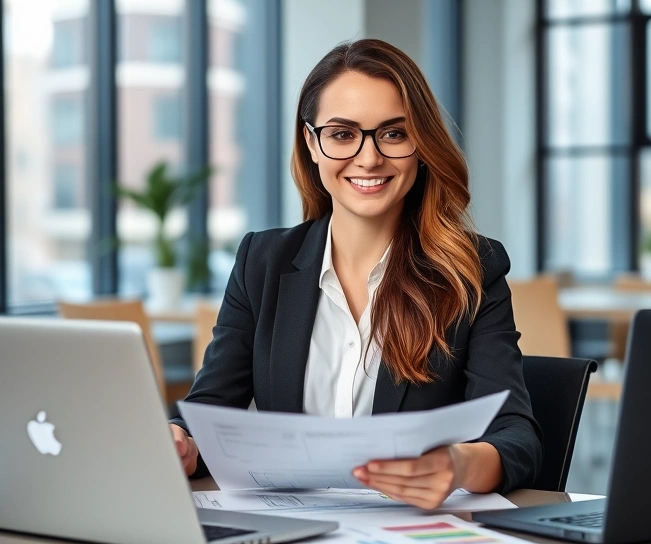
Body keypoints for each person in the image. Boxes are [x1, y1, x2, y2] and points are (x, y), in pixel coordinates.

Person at [169, 38, 541, 510]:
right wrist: (182, 440)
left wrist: (458, 465)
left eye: (393, 134)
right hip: (293, 540)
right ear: (312, 144)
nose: (368, 158)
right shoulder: (261, 262)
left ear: (421, 145)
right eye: (343, 134)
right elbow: (209, 413)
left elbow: (517, 436)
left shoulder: (471, 270)